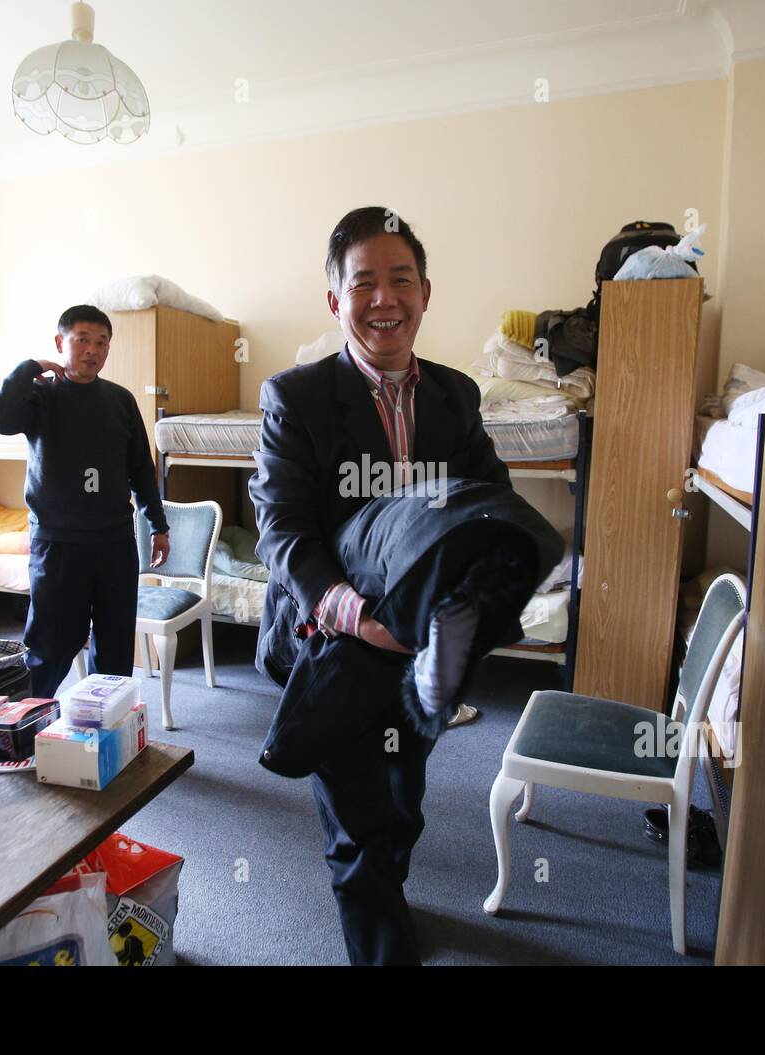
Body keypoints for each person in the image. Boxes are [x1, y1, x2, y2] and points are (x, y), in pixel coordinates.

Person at [249, 207, 512, 965]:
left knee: (403, 793)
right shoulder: (293, 397)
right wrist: (358, 617)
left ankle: (388, 883)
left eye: (401, 279)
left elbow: (487, 499)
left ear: (426, 292)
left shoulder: (457, 396)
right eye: (363, 282)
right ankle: (381, 943)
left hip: (421, 646)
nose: (383, 298)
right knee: (359, 818)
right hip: (331, 639)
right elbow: (282, 531)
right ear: (335, 300)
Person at [0, 305, 170, 699]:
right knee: (50, 647)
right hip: (59, 544)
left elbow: (140, 468)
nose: (93, 350)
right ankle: (28, 730)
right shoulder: (39, 395)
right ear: (60, 343)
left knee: (116, 649)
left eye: (102, 342)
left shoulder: (120, 400)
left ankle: (107, 733)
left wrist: (159, 525)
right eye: (82, 339)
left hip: (115, 543)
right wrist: (28, 367)